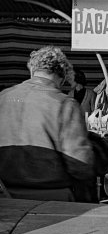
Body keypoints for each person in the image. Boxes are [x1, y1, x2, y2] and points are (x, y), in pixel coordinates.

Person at [0, 46, 94, 201]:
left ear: (32, 71)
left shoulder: (3, 97)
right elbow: (79, 164)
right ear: (63, 75)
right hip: (53, 199)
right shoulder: (65, 104)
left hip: (6, 198)